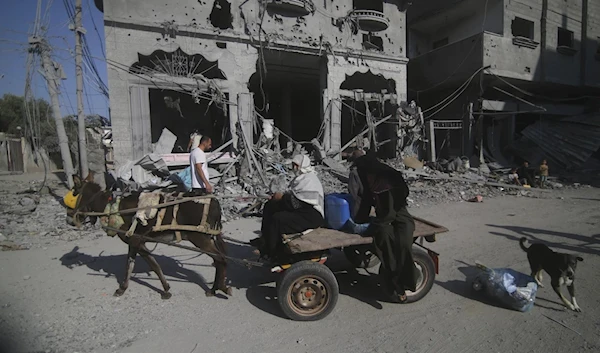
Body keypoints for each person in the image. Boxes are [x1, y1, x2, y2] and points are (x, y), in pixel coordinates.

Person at [353, 154, 420, 303]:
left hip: (399, 216)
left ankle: (407, 282)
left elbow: (367, 201)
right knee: (387, 247)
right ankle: (397, 285)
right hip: (384, 218)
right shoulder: (371, 175)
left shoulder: (381, 176)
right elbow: (367, 201)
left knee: (403, 245)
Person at [251, 154, 325, 260]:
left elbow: (297, 203)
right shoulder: (301, 178)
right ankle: (265, 239)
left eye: (295, 165)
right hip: (303, 211)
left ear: (301, 166)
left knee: (278, 219)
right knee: (270, 206)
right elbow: (295, 198)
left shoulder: (309, 180)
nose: (293, 168)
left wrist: (282, 197)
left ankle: (271, 251)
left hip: (311, 216)